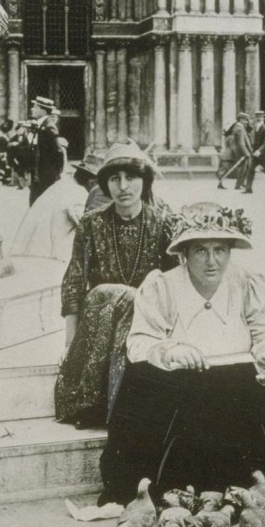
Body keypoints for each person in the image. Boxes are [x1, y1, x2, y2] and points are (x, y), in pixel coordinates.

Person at [98, 201, 265, 505]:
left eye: (220, 250)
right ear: (184, 254)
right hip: (183, 384)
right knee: (144, 381)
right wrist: (171, 350)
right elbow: (139, 342)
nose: (212, 261)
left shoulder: (246, 283)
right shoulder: (163, 286)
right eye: (201, 250)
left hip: (241, 380)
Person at [55, 143, 175, 428]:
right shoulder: (91, 224)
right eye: (114, 178)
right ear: (105, 184)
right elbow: (74, 280)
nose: (123, 186)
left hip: (148, 324)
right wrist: (69, 342)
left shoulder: (163, 223)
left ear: (144, 181)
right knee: (109, 293)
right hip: (100, 326)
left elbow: (175, 282)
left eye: (131, 177)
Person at [11, 156, 102, 263]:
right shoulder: (79, 193)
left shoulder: (63, 184)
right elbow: (85, 226)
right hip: (46, 254)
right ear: (91, 181)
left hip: (28, 246)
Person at [29, 96, 64, 206]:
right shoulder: (41, 126)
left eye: (35, 107)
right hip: (39, 175)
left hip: (46, 177)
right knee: (36, 205)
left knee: (42, 207)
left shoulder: (48, 127)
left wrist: (55, 174)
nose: (32, 109)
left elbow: (58, 152)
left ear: (43, 111)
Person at [231, 112, 254, 192]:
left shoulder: (238, 127)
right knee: (242, 169)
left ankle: (241, 183)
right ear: (241, 119)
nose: (247, 122)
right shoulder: (240, 128)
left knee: (244, 168)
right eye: (245, 120)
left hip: (240, 152)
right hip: (241, 153)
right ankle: (238, 185)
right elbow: (241, 143)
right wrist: (246, 153)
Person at [249, 110, 265, 188]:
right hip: (255, 153)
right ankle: (248, 189)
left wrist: (259, 150)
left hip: (263, 154)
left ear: (263, 118)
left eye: (260, 117)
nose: (258, 118)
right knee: (250, 170)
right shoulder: (255, 128)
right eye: (257, 117)